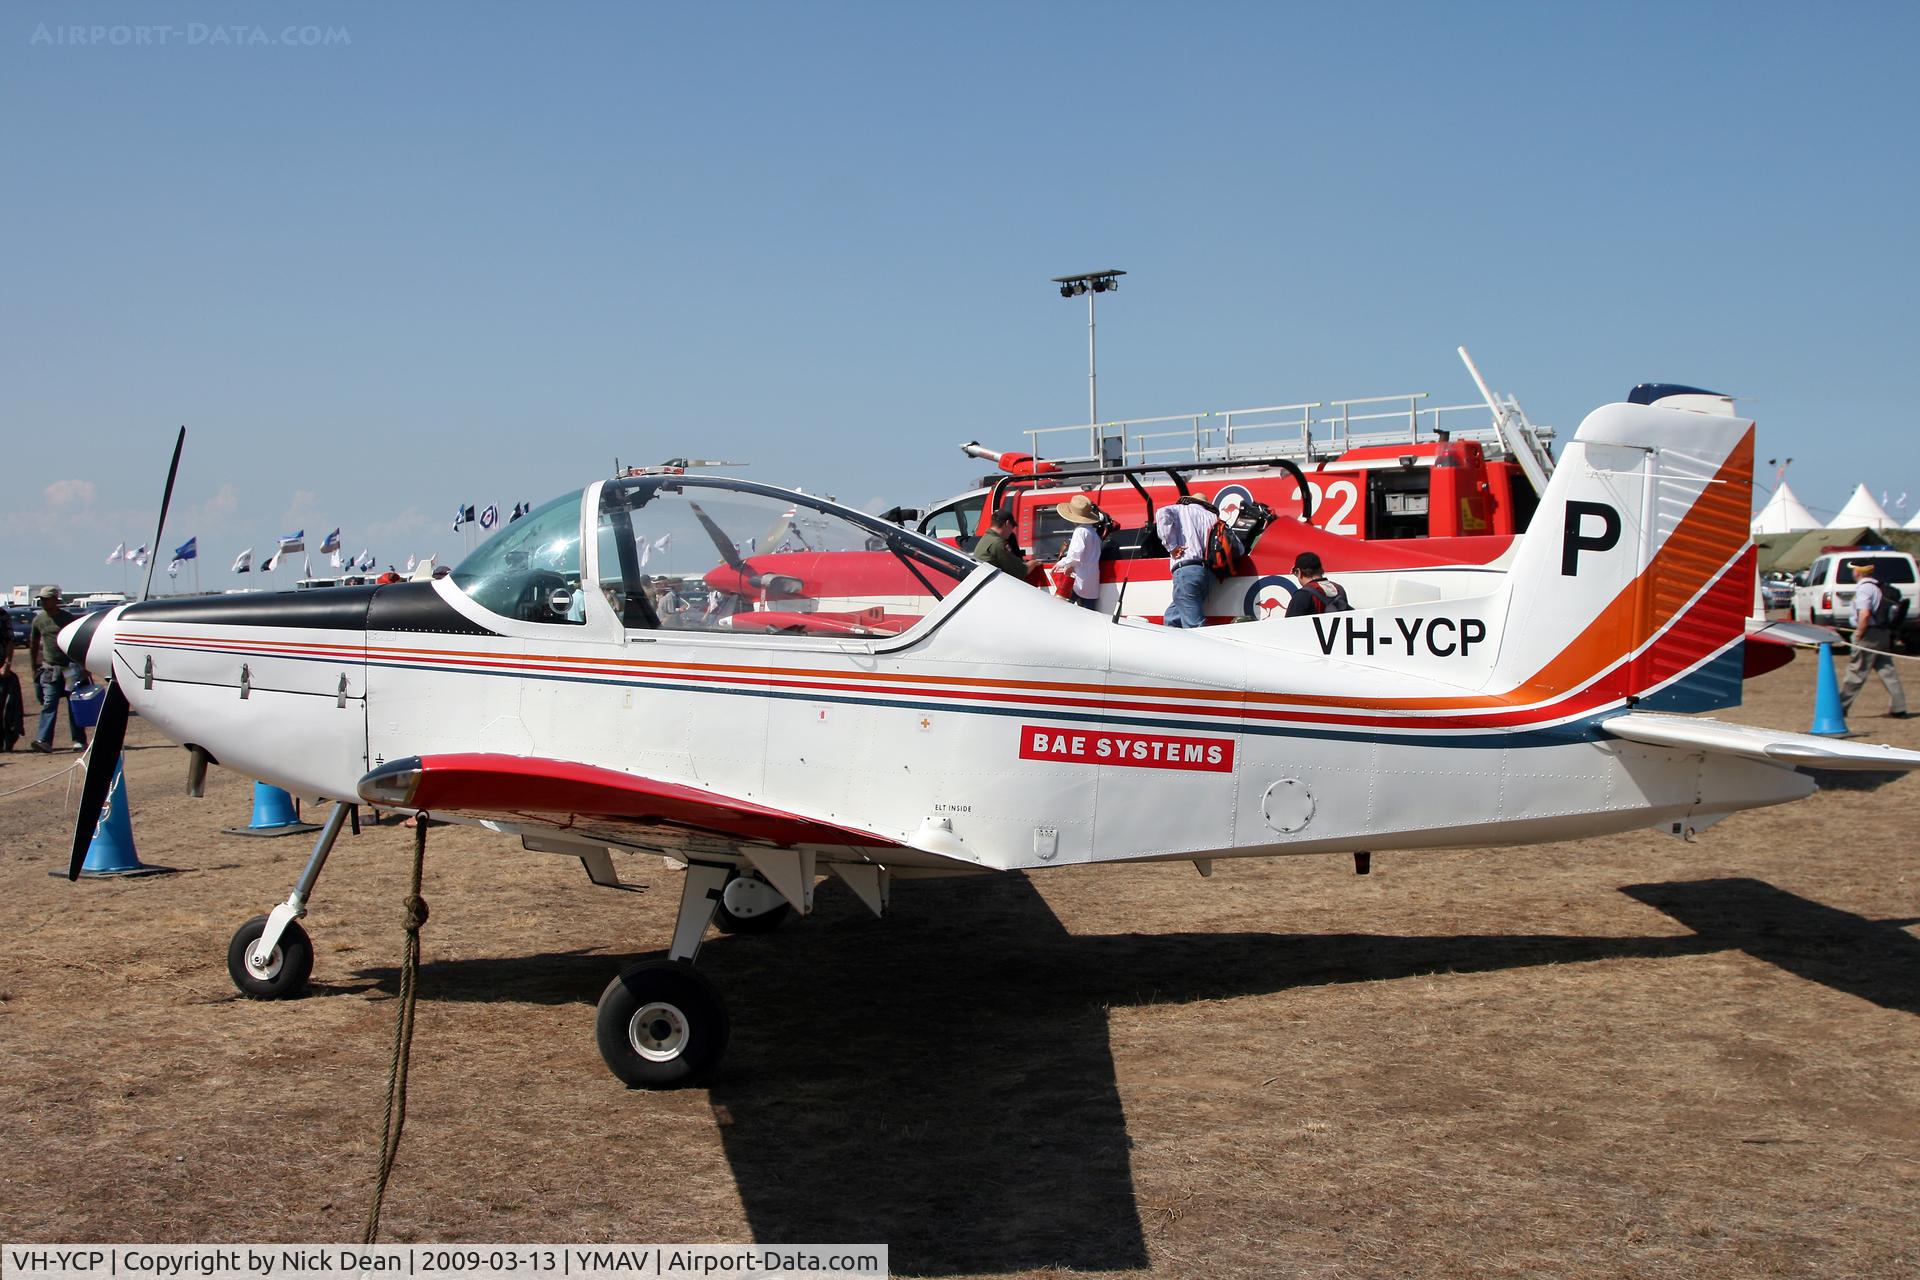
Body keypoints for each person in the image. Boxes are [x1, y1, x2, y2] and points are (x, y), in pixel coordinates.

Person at [1839, 560, 1909, 718]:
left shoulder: (1864, 589)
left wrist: (1859, 633)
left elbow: (1864, 613)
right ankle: (1900, 707)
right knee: (1887, 671)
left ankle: (1840, 707)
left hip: (1868, 633)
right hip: (1882, 633)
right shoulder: (1878, 586)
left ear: (1858, 572)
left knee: (1856, 671)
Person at [28, 585, 88, 753]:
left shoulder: (67, 618)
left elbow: (78, 642)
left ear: (56, 600)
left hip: (69, 670)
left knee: (72, 704)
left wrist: (84, 666)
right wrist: (34, 666)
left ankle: (79, 740)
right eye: (42, 599)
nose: (43, 602)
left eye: (47, 599)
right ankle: (44, 740)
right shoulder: (38, 620)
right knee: (49, 703)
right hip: (50, 670)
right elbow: (33, 644)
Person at [1154, 496, 1219, 628]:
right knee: (1172, 618)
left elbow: (1162, 513)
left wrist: (1171, 547)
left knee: (1193, 625)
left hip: (1187, 570)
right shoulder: (1213, 518)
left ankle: (1201, 647)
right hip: (1208, 573)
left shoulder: (1180, 509)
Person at [1053, 494, 1106, 610]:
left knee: (1061, 609)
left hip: (1078, 581)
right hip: (1092, 583)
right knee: (1089, 614)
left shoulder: (1080, 531)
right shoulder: (1094, 534)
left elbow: (1075, 556)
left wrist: (1061, 563)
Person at [1284, 552, 1352, 617]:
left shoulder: (1303, 594)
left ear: (1299, 571)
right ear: (1321, 570)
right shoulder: (1339, 589)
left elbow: (1290, 626)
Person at [971, 507, 1030, 579]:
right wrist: (1033, 563)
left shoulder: (987, 538)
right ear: (1007, 523)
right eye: (1013, 526)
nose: (1012, 531)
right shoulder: (997, 543)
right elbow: (1020, 571)